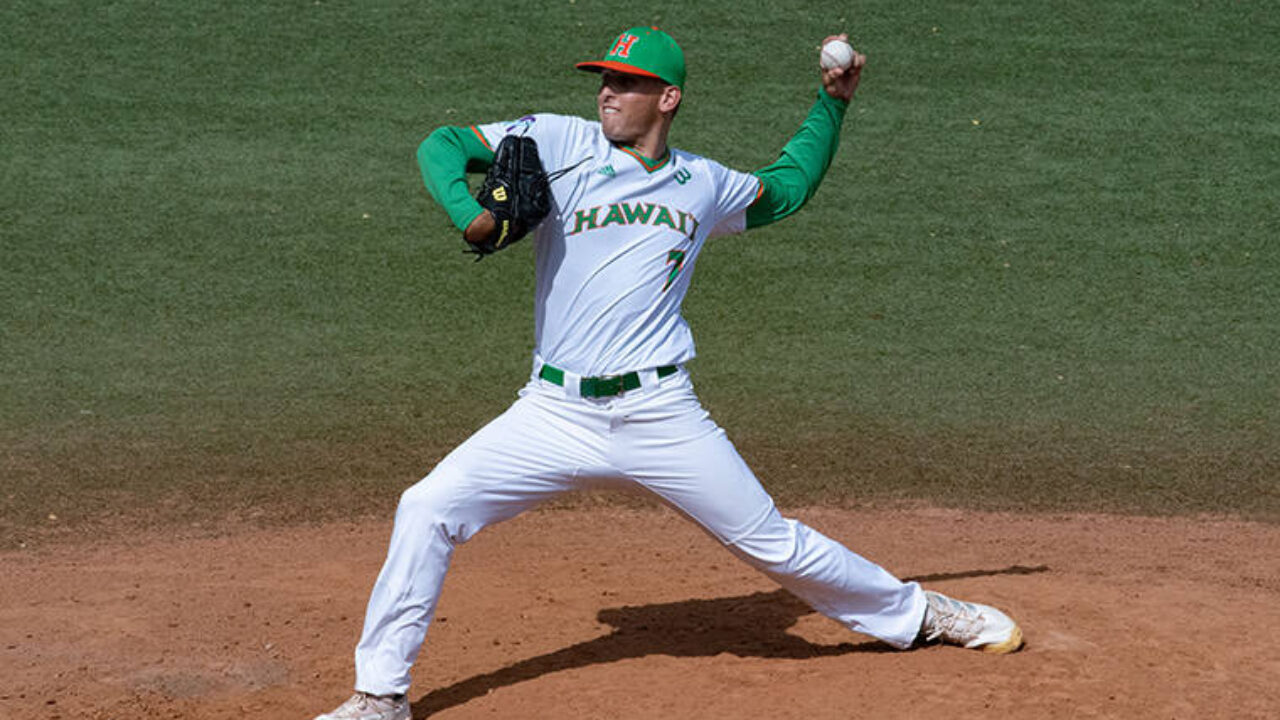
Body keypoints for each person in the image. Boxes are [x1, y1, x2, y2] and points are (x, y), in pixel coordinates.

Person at [314, 26, 1023, 720]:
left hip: (660, 412)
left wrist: (832, 102)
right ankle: (381, 696)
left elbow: (787, 187)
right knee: (427, 507)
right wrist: (468, 214)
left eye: (627, 83)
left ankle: (921, 613)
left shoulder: (703, 184)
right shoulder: (554, 140)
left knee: (770, 540)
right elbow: (442, 144)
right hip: (552, 413)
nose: (608, 94)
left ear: (668, 98)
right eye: (605, 80)